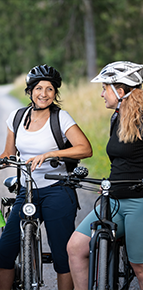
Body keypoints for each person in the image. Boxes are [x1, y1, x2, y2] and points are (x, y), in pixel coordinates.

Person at [0, 64, 93, 290]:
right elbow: (8, 154)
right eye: (39, 88)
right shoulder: (17, 117)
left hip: (57, 190)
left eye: (50, 89)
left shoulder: (61, 118)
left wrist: (51, 153)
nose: (44, 94)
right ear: (30, 91)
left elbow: (85, 148)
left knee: (62, 257)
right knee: (4, 254)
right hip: (26, 190)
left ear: (55, 93)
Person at [67, 61, 143, 290]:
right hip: (114, 200)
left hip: (139, 202)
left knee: (139, 266)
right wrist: (108, 183)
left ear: (120, 92)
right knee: (76, 247)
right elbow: (121, 161)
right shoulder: (116, 118)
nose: (102, 94)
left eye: (105, 88)